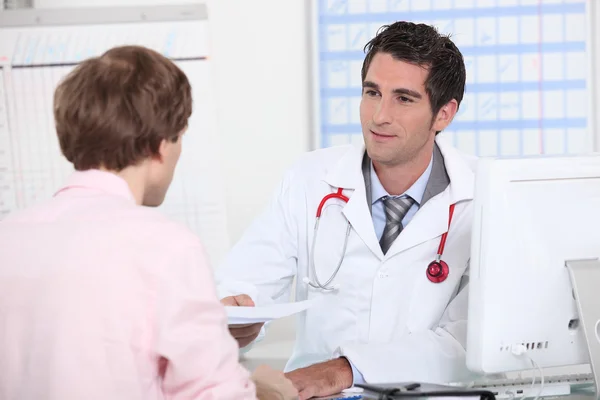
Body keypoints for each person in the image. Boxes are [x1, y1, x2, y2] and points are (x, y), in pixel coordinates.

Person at [0, 45, 296, 400]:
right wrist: (264, 392)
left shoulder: (9, 238)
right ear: (161, 145)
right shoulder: (167, 247)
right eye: (180, 137)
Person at [217, 21, 476, 399]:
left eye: (403, 99)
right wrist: (239, 314)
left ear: (444, 114)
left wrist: (347, 369)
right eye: (372, 93)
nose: (378, 116)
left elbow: (469, 340)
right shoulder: (310, 179)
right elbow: (247, 279)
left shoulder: (482, 198)